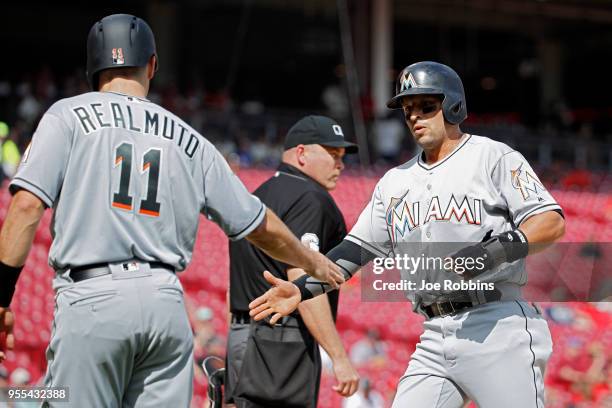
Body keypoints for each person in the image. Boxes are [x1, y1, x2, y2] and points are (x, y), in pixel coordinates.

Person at [0, 14, 344, 407]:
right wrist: (312, 262)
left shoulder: (67, 114)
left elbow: (27, 205)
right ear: (151, 66)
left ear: (92, 68)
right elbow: (259, 224)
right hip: (166, 307)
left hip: (92, 299)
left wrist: (2, 297)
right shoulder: (190, 138)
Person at [248, 61, 566, 407]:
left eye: (426, 106)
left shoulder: (492, 157)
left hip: (496, 326)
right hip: (434, 333)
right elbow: (355, 251)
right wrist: (301, 289)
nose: (415, 116)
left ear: (453, 106)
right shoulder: (395, 181)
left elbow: (550, 222)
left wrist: (493, 252)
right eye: (408, 109)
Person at [226, 115, 360, 407]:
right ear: (301, 153)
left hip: (243, 336)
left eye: (341, 156)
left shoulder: (259, 194)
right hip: (279, 344)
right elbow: (302, 277)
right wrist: (338, 357)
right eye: (332, 154)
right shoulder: (309, 197)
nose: (340, 164)